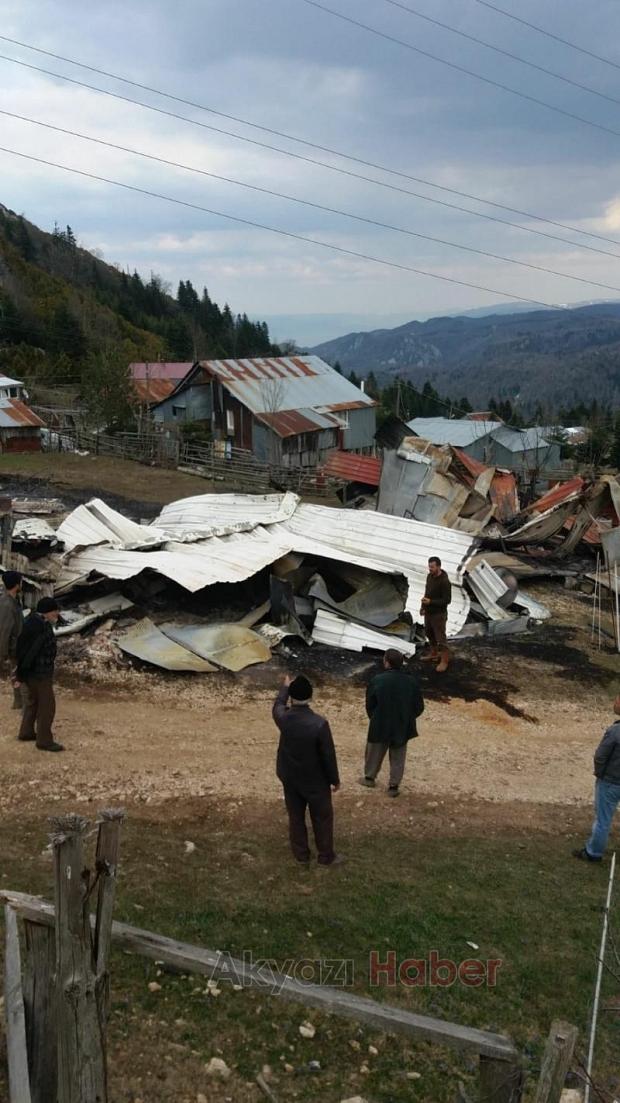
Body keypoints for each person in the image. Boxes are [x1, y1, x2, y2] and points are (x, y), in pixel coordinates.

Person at [273, 674, 342, 867]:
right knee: (322, 818)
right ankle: (326, 856)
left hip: (290, 777)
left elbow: (278, 705)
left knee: (296, 817)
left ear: (292, 698)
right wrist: (334, 779)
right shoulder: (320, 724)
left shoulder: (283, 718)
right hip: (315, 780)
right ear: (311, 697)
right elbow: (328, 755)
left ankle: (301, 855)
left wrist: (285, 687)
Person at [361, 649, 424, 797]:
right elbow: (419, 706)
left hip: (380, 723)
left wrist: (375, 717)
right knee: (398, 756)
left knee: (374, 751)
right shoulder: (411, 682)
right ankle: (393, 786)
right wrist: (408, 718)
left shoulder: (377, 680)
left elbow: (370, 704)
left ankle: (369, 778)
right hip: (402, 725)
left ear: (386, 662)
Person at [573, 695, 620, 862]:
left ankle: (593, 852)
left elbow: (600, 756)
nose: (615, 701)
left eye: (618, 699)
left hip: (610, 782)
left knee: (603, 820)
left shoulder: (615, 731)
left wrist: (600, 774)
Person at [14, 597, 63, 752]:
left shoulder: (32, 622)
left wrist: (21, 672)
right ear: (48, 611)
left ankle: (26, 732)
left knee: (33, 703)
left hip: (31, 673)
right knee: (47, 706)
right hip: (39, 673)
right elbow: (32, 652)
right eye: (55, 610)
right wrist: (21, 673)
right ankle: (44, 740)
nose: (57, 613)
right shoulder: (41, 627)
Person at [420, 556, 452, 673]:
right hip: (429, 612)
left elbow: (447, 600)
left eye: (432, 567)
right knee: (429, 633)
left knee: (440, 638)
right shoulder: (430, 577)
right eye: (429, 566)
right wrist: (423, 607)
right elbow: (427, 592)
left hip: (439, 614)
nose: (430, 569)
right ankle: (434, 653)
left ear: (439, 566)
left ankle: (444, 660)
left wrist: (431, 602)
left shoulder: (445, 582)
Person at [0, 571, 24, 710]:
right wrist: (3, 654)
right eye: (20, 582)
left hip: (18, 644)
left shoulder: (14, 600)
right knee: (17, 672)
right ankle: (20, 701)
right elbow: (4, 630)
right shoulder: (7, 604)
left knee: (17, 672)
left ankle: (19, 701)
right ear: (16, 585)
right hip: (14, 646)